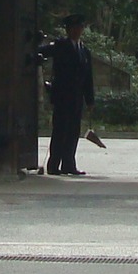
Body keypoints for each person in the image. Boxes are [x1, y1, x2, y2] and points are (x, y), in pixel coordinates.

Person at [37, 13, 94, 175]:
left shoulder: (84, 51)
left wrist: (90, 100)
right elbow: (41, 52)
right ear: (68, 30)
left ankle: (69, 164)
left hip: (77, 97)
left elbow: (88, 77)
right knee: (60, 130)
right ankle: (54, 164)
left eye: (80, 28)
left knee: (73, 131)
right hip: (62, 96)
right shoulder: (61, 46)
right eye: (74, 28)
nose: (77, 31)